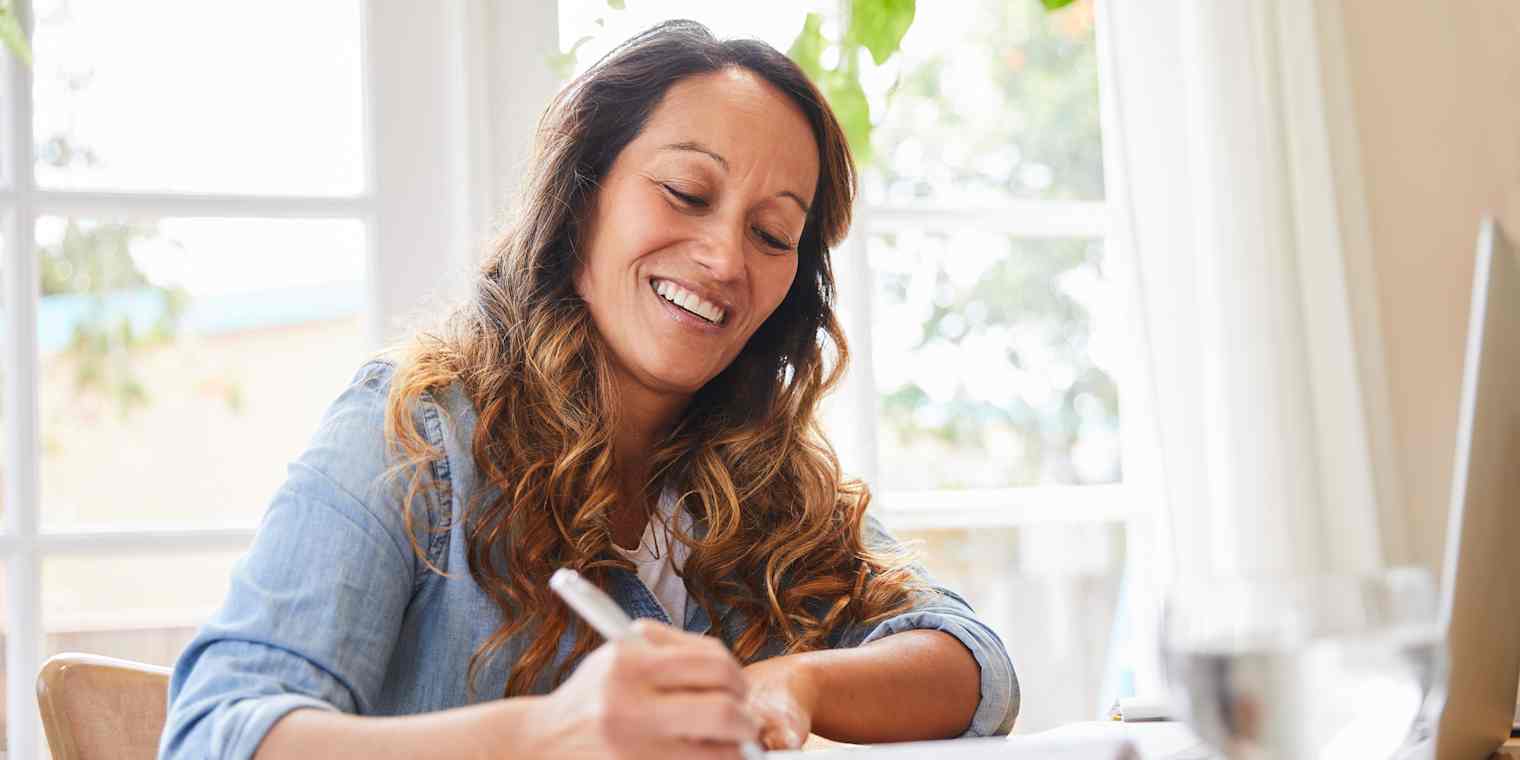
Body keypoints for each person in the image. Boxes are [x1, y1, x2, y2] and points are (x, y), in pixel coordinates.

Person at [158, 20, 1018, 760]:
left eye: (771, 233)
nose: (725, 260)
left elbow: (973, 664)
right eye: (686, 192)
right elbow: (212, 733)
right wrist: (545, 734)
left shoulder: (768, 484)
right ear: (579, 201)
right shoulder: (416, 434)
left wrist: (795, 682)